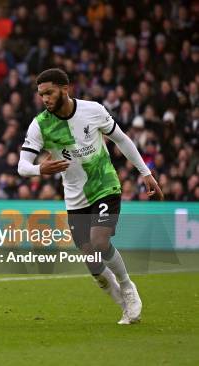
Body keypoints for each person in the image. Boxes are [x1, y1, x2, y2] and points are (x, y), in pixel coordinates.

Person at [18, 68, 164, 325]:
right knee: (92, 262)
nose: (45, 99)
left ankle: (128, 287)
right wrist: (40, 169)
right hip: (75, 198)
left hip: (104, 185)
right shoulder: (40, 124)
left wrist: (145, 172)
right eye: (41, 94)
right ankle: (124, 305)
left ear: (65, 88)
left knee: (99, 241)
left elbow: (122, 140)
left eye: (49, 92)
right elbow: (22, 166)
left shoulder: (93, 110)